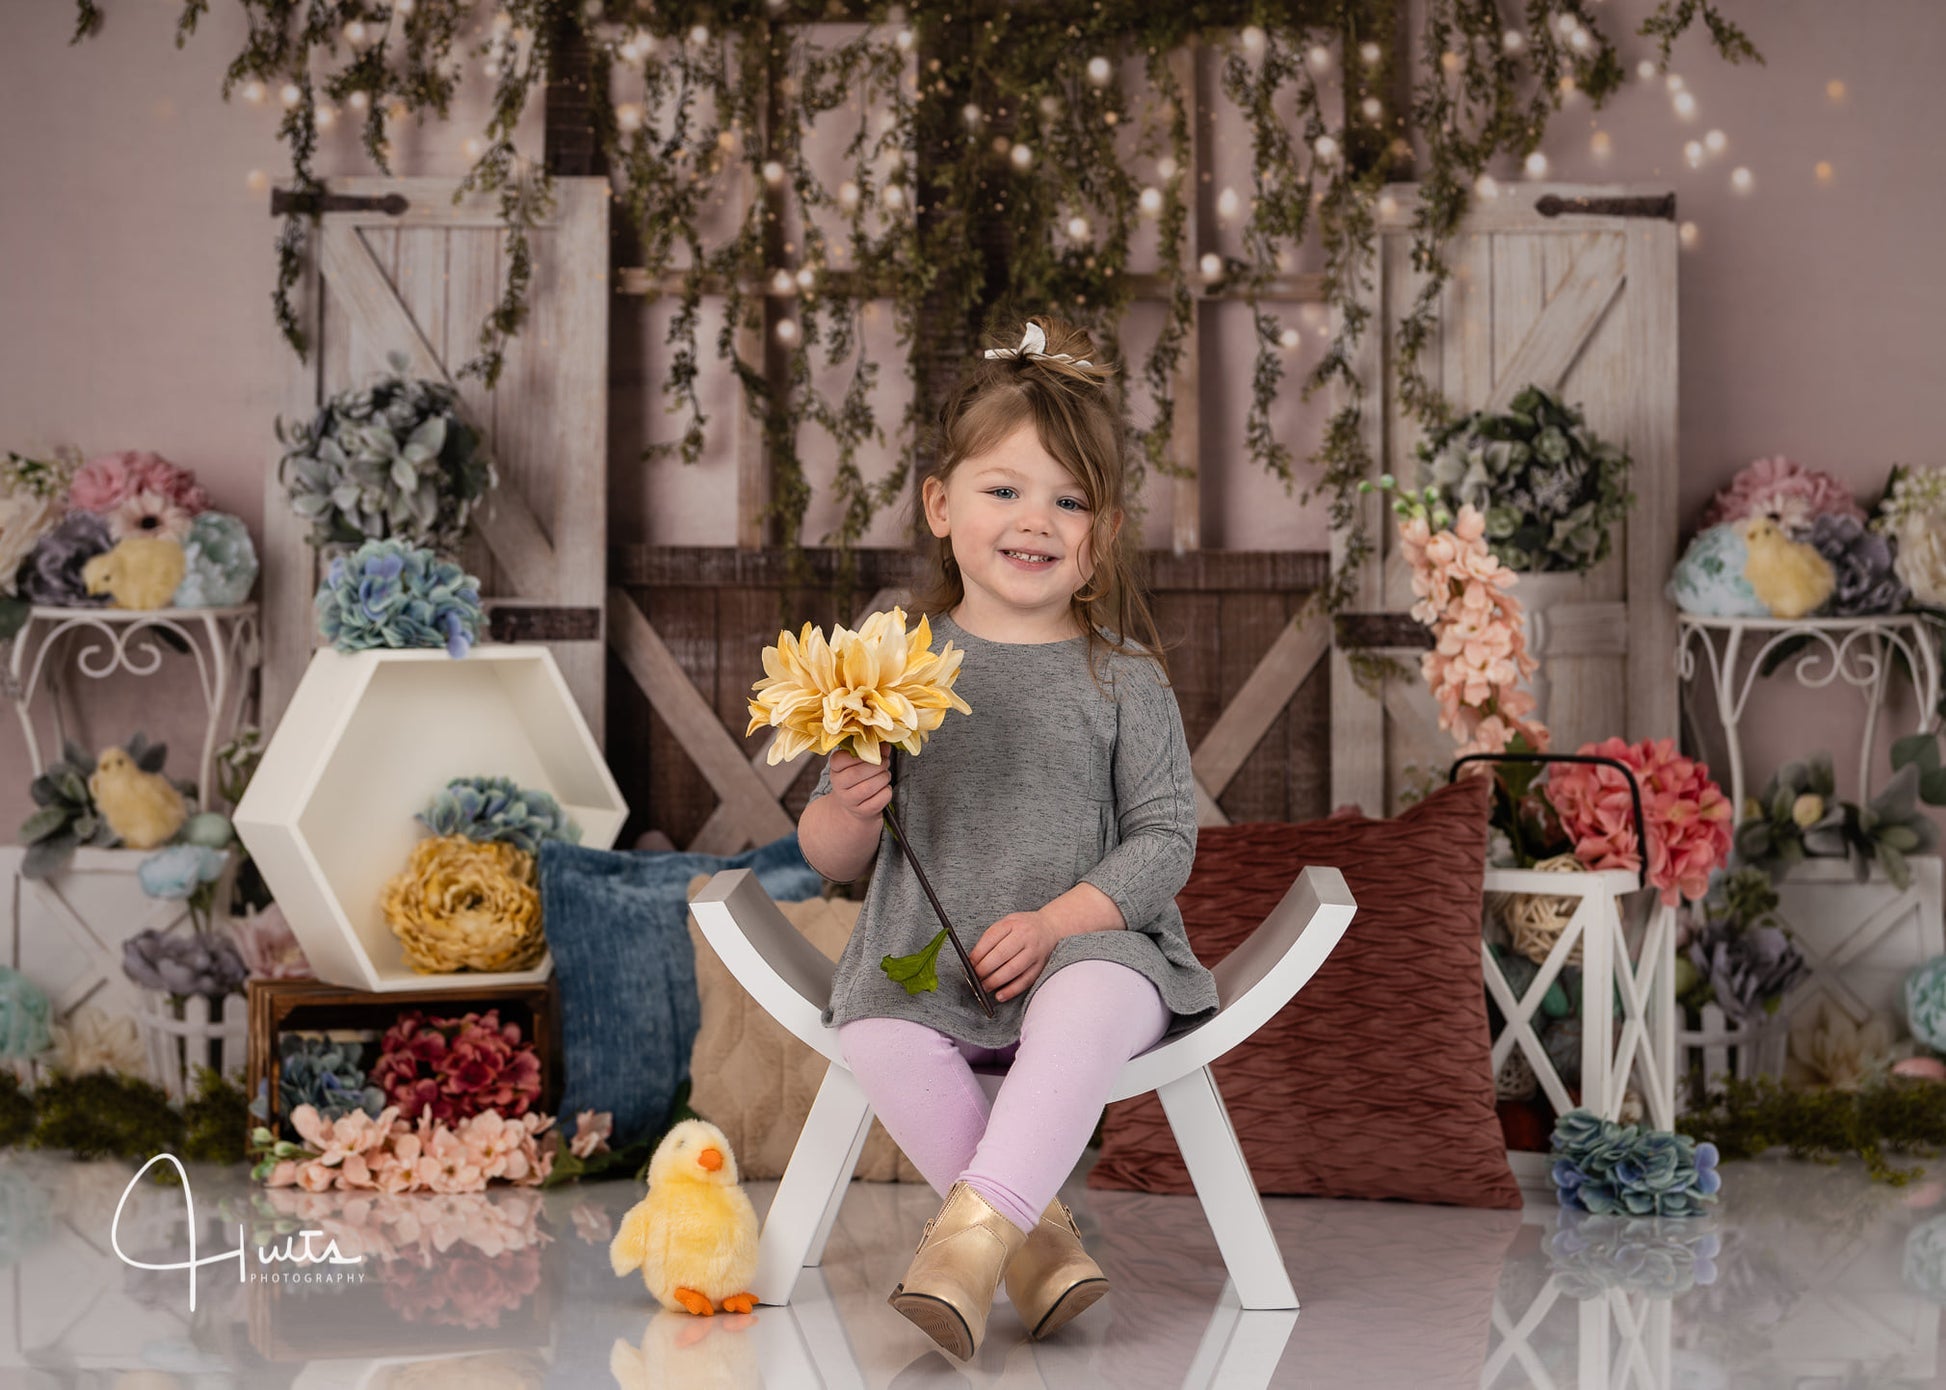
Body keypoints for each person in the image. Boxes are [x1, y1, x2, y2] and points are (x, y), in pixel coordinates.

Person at [796, 315, 1218, 1361]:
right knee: (872, 1025)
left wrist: (1056, 923)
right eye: (1004, 490)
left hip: (1098, 963)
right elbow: (828, 860)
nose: (1036, 520)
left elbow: (1166, 840)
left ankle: (964, 1250)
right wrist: (849, 806)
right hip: (929, 969)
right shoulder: (894, 665)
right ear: (941, 507)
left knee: (1086, 990)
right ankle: (1039, 1252)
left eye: (1068, 501)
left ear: (1100, 535)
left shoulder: (1123, 676)